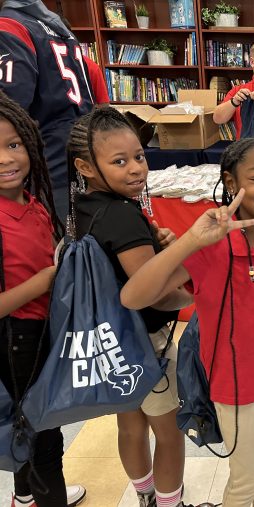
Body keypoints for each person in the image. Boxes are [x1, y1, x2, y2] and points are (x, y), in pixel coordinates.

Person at [119, 138, 254, 507]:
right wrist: (191, 239)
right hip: (235, 385)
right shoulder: (212, 247)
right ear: (231, 182)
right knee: (248, 477)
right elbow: (133, 297)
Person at [67, 108, 196, 507]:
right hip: (146, 341)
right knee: (169, 431)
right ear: (85, 166)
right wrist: (188, 276)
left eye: (139, 156)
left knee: (130, 422)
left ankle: (145, 494)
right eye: (119, 161)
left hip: (112, 338)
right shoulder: (122, 215)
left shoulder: (85, 207)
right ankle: (168, 502)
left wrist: (160, 248)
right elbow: (153, 289)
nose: (136, 169)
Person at [0, 91, 86, 507]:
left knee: (28, 429)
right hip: (16, 341)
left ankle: (25, 495)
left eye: (13, 145)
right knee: (44, 441)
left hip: (40, 333)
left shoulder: (33, 204)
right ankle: (44, 495)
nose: (5, 159)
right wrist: (48, 279)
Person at [0, 0, 94, 218]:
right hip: (81, 153)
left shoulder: (10, 26)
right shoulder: (58, 28)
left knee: (55, 244)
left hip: (47, 167)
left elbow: (8, 108)